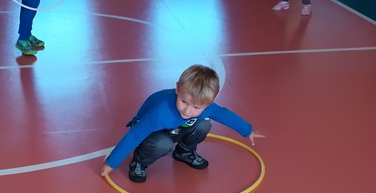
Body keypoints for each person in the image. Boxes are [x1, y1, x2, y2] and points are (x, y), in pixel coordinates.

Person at [100, 64, 265, 183]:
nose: (187, 110)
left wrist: (247, 130)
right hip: (153, 131)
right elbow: (134, 135)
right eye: (183, 101)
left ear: (208, 103)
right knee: (162, 144)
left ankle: (184, 152)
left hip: (175, 127)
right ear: (177, 89)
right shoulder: (161, 112)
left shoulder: (206, 107)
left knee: (204, 125)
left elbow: (224, 115)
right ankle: (139, 161)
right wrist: (111, 163)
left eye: (196, 107)